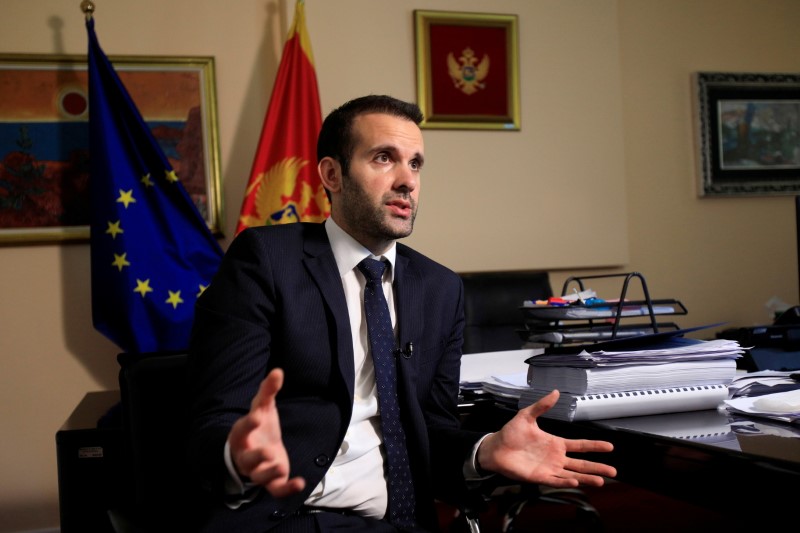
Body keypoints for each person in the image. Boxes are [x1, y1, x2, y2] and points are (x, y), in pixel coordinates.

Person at [186, 94, 617, 532]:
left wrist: (484, 450)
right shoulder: (266, 260)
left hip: (401, 522)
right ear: (332, 174)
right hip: (289, 516)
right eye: (383, 158)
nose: (406, 180)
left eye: (415, 164)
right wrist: (238, 451)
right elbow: (217, 419)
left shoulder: (440, 288)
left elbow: (431, 428)